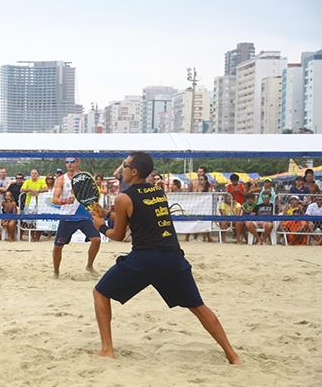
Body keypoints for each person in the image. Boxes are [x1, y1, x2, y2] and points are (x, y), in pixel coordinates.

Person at [90, 151, 241, 364]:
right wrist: (106, 213)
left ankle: (107, 349)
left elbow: (118, 235)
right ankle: (232, 355)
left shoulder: (123, 197)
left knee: (99, 292)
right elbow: (138, 218)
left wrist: (101, 226)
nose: (122, 168)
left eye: (124, 165)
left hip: (144, 259)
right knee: (199, 307)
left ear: (133, 172)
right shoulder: (158, 193)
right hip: (172, 258)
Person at [51, 157, 101, 279]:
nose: (69, 164)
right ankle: (56, 271)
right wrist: (66, 201)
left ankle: (89, 265)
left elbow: (92, 196)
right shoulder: (61, 179)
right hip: (68, 217)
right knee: (58, 246)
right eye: (67, 162)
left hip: (83, 215)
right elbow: (54, 199)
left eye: (72, 162)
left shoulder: (85, 178)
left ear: (78, 162)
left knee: (97, 240)